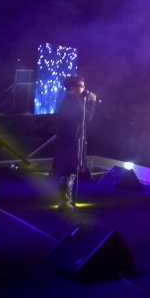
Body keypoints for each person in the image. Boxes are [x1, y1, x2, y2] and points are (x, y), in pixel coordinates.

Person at [52, 76, 97, 212]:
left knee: (69, 172)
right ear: (72, 88)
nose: (84, 89)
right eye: (81, 86)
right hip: (71, 142)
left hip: (69, 140)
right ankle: (65, 202)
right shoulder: (73, 102)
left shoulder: (71, 101)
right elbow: (87, 117)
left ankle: (66, 200)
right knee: (69, 171)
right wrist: (91, 103)